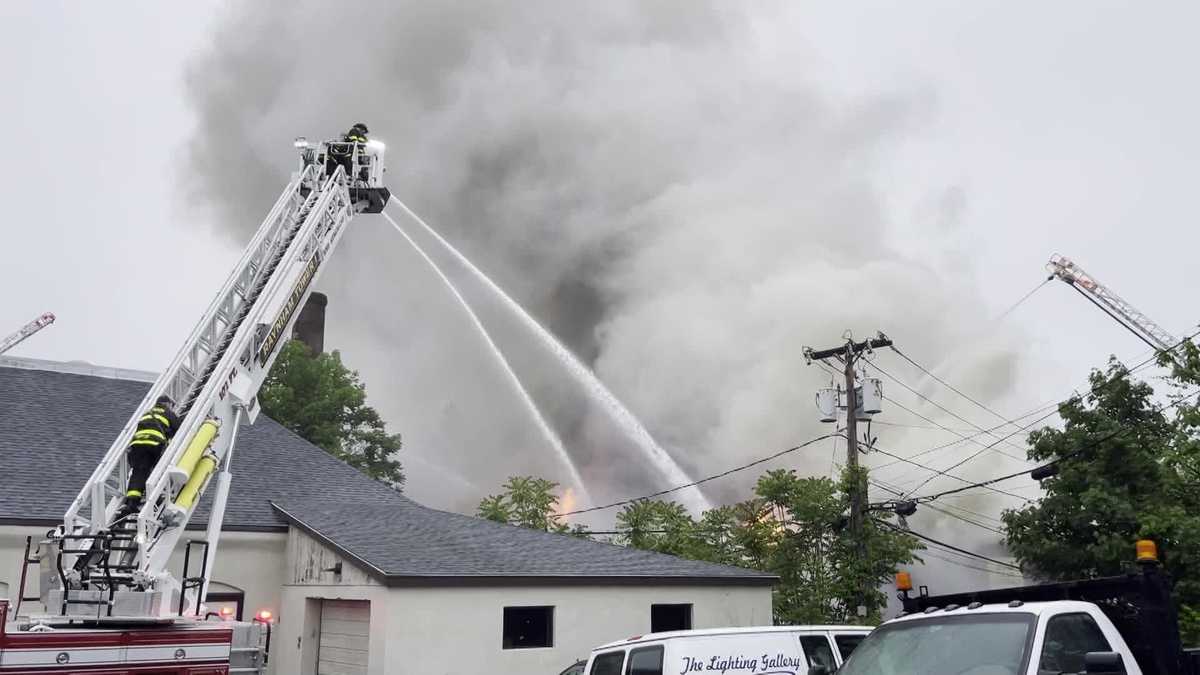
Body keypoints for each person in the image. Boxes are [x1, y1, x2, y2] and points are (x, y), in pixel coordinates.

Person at [122, 395, 181, 513]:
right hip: (153, 445)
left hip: (137, 446)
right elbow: (178, 428)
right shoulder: (167, 413)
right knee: (157, 471)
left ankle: (132, 501)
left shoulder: (147, 414)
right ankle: (155, 497)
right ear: (167, 404)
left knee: (139, 472)